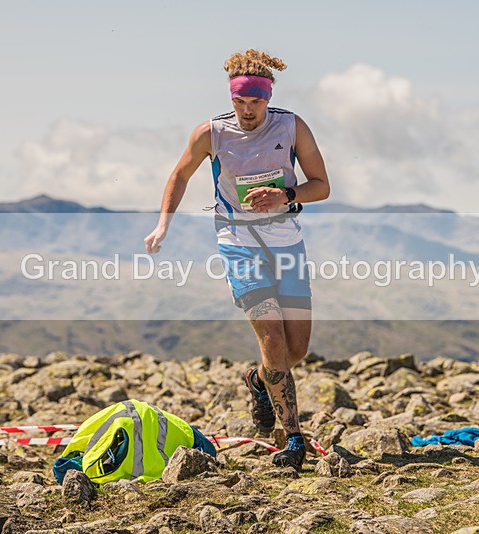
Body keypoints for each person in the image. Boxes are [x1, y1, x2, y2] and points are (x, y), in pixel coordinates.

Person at [144, 49, 330, 469]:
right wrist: (163, 226)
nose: (247, 111)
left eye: (255, 102)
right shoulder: (211, 133)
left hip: (286, 242)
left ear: (268, 97)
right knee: (274, 341)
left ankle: (257, 380)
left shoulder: (292, 127)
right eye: (239, 102)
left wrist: (286, 194)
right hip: (237, 242)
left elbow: (322, 185)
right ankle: (293, 438)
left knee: (294, 351)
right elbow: (180, 175)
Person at [53, 399, 217, 485]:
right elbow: (208, 450)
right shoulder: (178, 428)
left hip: (132, 413)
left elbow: (62, 465)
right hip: (147, 416)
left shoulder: (93, 467)